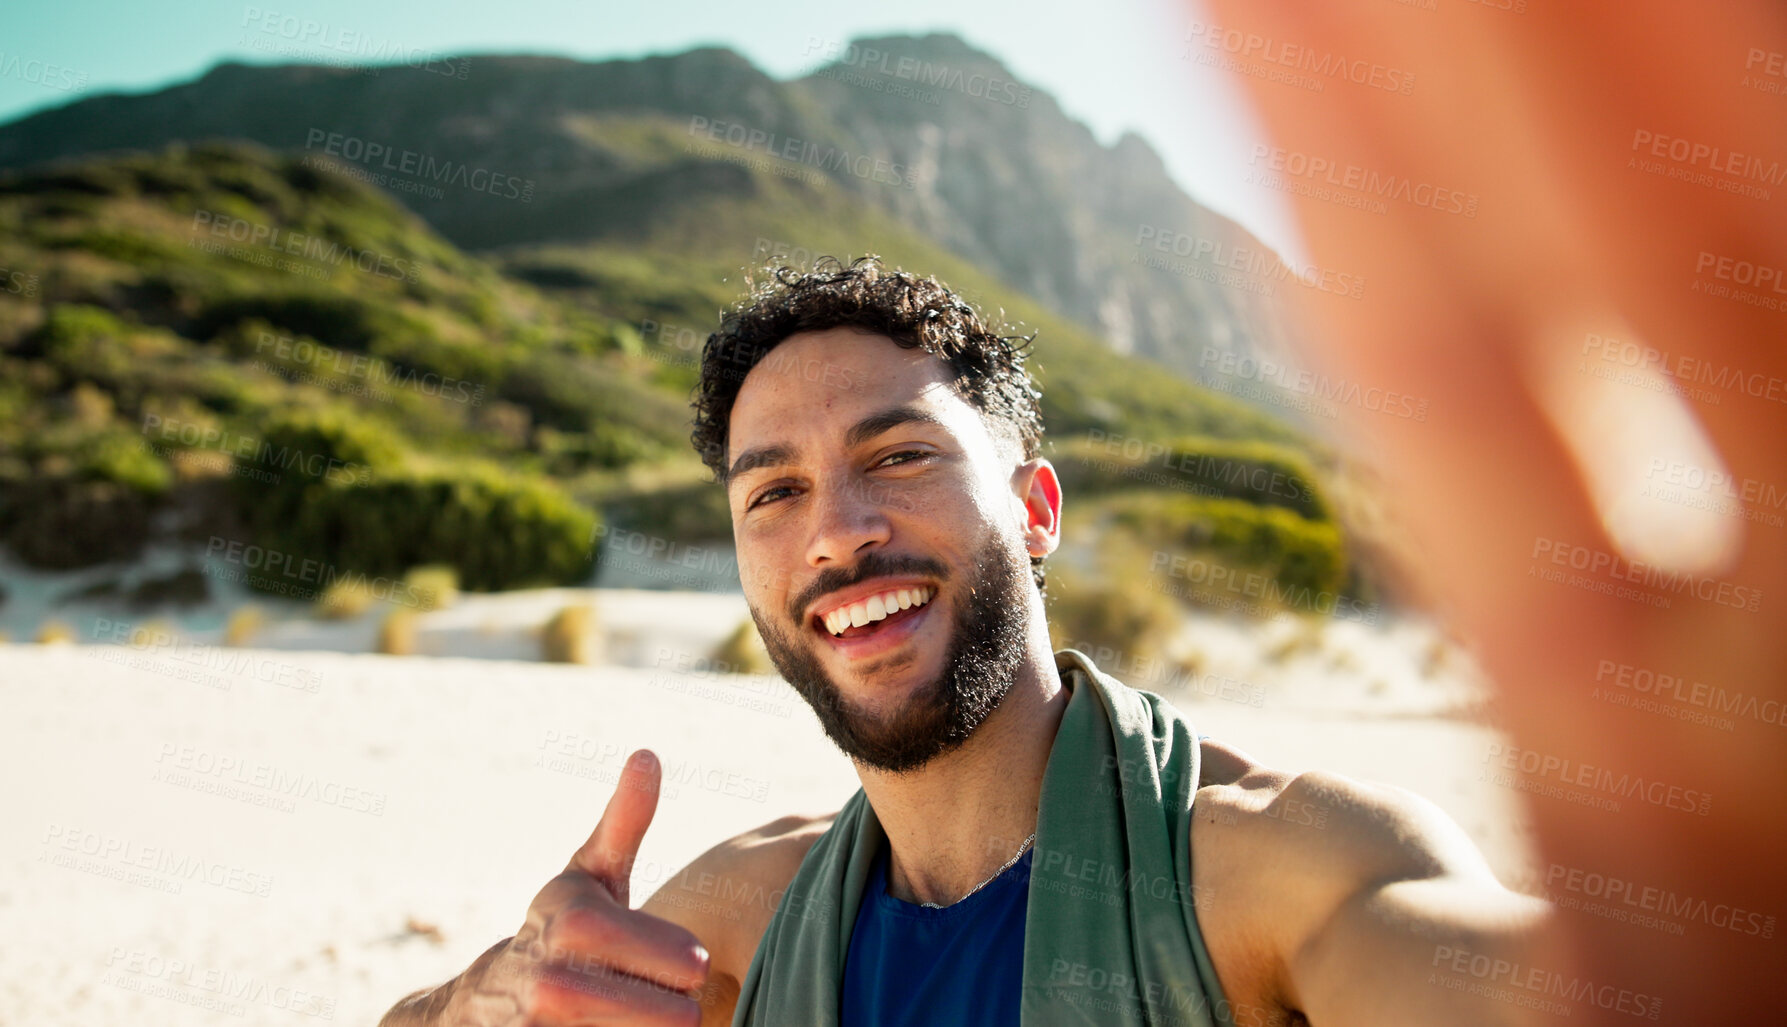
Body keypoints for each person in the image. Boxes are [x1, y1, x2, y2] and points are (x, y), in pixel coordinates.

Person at [381, 259, 1548, 1027]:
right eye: (773, 493)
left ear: (1036, 508)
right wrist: (490, 997)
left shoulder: (1271, 875)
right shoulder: (746, 915)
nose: (837, 533)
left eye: (898, 456)